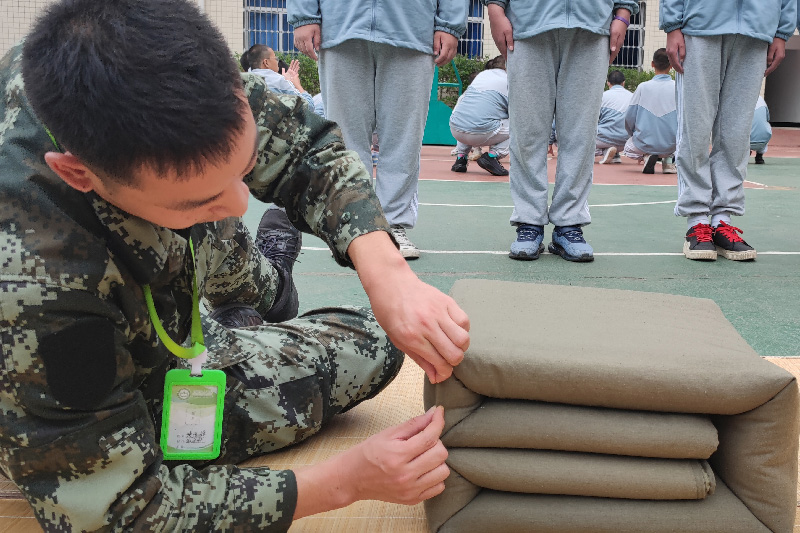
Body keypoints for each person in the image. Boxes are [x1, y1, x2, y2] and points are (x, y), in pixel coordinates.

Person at [0, 0, 472, 530]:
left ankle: (264, 293)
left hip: (158, 250)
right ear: (78, 173)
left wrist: (388, 273)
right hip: (80, 374)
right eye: (198, 200)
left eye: (245, 170)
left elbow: (303, 145)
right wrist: (342, 481)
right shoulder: (35, 287)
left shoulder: (146, 67)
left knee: (376, 344)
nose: (239, 204)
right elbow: (121, 512)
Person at [289, 0, 467, 259]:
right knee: (344, 138)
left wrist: (449, 24)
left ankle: (393, 224)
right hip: (341, 23)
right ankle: (354, 224)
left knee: (403, 137)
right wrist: (304, 16)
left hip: (412, 26)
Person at [486, 0, 639, 262]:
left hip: (591, 25)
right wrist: (494, 7)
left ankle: (569, 222)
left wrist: (623, 13)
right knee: (527, 131)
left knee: (581, 133)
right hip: (528, 22)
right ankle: (529, 221)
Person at [662, 0, 796, 261]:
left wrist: (782, 32)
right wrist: (673, 25)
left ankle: (722, 220)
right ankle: (697, 220)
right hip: (700, 22)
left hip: (757, 27)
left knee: (736, 133)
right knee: (695, 128)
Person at [449, 55, 510, 176]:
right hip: (481, 132)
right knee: (519, 126)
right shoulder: (509, 80)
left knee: (468, 116)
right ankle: (492, 156)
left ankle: (461, 158)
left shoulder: (481, 76)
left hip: (456, 129)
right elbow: (517, 112)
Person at [621, 48, 678, 174]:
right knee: (676, 145)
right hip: (672, 145)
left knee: (627, 148)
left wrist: (633, 134)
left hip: (645, 143)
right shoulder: (678, 87)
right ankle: (668, 162)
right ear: (671, 66)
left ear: (652, 64)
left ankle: (647, 156)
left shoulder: (643, 87)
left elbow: (629, 117)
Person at [239, 43, 315, 109]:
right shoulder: (280, 81)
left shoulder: (243, 80)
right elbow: (308, 106)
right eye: (275, 58)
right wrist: (297, 84)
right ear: (266, 62)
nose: (277, 62)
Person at [595, 70, 632, 165]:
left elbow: (594, 119)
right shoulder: (633, 97)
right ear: (623, 83)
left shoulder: (602, 96)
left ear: (608, 83)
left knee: (583, 144)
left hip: (603, 139)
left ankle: (604, 151)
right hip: (625, 141)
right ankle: (615, 154)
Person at [750, 95, 773, 164]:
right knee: (764, 127)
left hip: (746, 142)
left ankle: (745, 153)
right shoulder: (761, 101)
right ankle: (759, 156)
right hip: (763, 141)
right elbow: (767, 118)